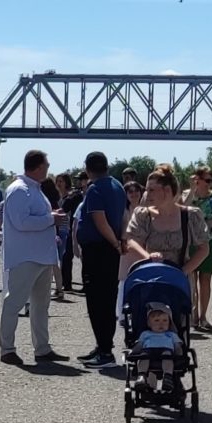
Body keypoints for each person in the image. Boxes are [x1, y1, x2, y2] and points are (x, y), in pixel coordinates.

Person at [0, 150, 63, 365]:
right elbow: (21, 222)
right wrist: (51, 219)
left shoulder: (34, 189)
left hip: (41, 256)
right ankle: (7, 349)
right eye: (46, 164)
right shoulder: (19, 190)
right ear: (39, 167)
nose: (49, 168)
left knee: (41, 305)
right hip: (25, 256)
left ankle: (42, 348)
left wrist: (50, 219)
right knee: (14, 302)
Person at [73, 152, 127, 364]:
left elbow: (100, 220)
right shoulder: (117, 186)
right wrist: (121, 240)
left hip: (98, 250)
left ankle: (105, 352)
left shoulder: (94, 189)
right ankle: (103, 345)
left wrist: (114, 242)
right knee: (108, 298)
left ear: (87, 169)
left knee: (97, 302)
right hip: (111, 250)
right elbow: (124, 216)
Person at [188, 167, 212, 330]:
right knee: (191, 279)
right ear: (197, 179)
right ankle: (193, 315)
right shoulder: (187, 195)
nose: (210, 184)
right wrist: (192, 189)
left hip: (210, 239)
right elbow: (181, 210)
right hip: (190, 240)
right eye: (207, 180)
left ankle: (203, 316)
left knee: (206, 279)